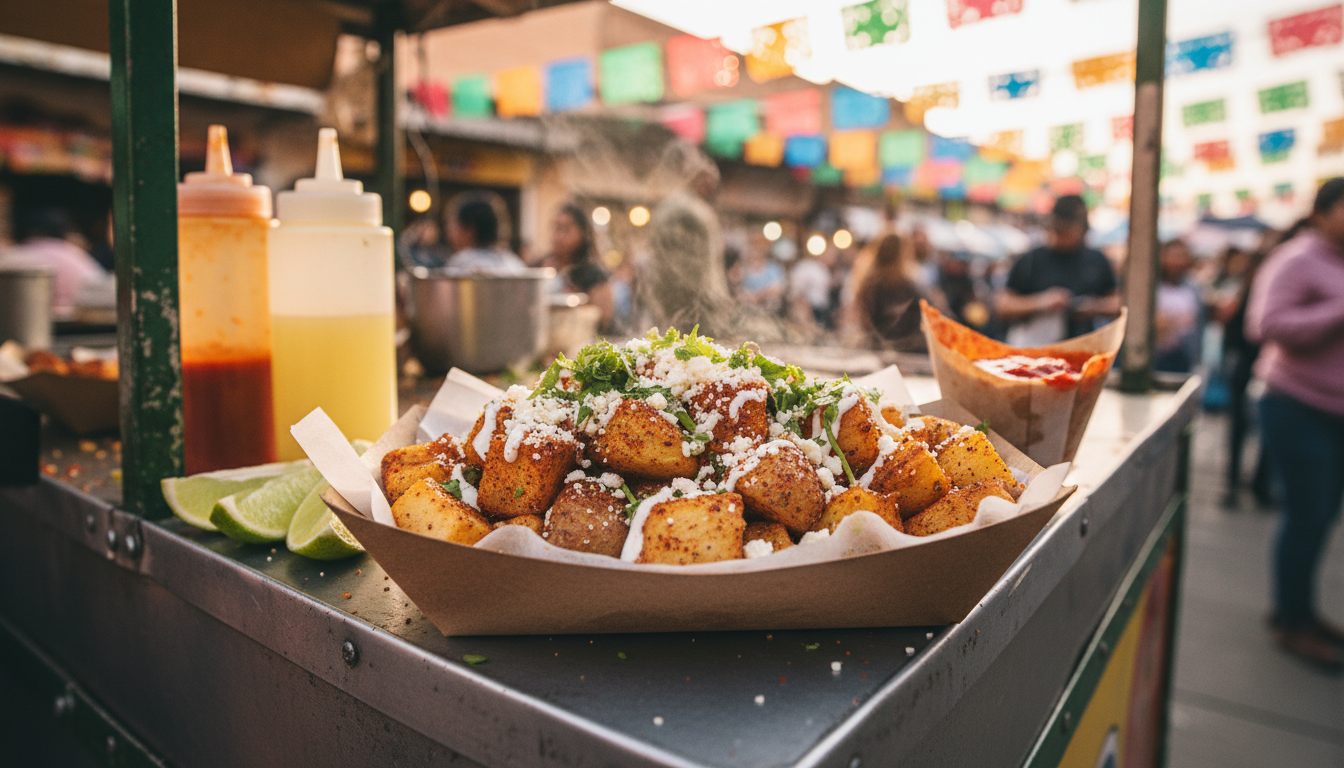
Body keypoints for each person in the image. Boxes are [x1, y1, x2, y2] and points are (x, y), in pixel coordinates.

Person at [1245, 177, 1344, 669]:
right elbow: (1266, 325)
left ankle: (1299, 607)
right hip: (1295, 405)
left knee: (1323, 515)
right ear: (1321, 212)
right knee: (1307, 515)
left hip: (1335, 412)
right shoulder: (1296, 260)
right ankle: (1292, 619)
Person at [995, 195, 1120, 345]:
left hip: (1083, 345)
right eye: (1059, 229)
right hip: (1037, 347)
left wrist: (1093, 306)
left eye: (1068, 230)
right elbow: (1003, 305)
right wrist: (1041, 302)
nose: (1062, 236)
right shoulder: (1031, 260)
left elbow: (1118, 303)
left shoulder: (1095, 260)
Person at [0, 208, 107, 319]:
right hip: (81, 322)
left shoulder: (16, 254)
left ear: (34, 231)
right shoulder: (76, 254)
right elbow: (101, 284)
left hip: (26, 320)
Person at [845, 232, 926, 351]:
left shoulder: (868, 284)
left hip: (876, 348)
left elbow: (863, 320)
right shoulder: (909, 286)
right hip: (908, 350)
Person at [540, 204, 614, 331]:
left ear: (583, 233)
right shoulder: (541, 266)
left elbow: (603, 321)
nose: (558, 237)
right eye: (556, 229)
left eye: (566, 229)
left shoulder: (594, 276)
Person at [442, 193, 526, 273]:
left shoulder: (461, 263)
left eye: (452, 228)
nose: (448, 234)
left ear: (469, 230)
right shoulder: (515, 262)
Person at [1153, 239, 1203, 373]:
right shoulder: (1152, 287)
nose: (1176, 262)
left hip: (1183, 355)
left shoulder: (1194, 287)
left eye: (1181, 256)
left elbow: (1198, 324)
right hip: (1155, 356)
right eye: (1172, 256)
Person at [788, 243, 835, 331]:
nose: (833, 258)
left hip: (822, 309)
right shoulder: (808, 267)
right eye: (830, 255)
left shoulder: (825, 270)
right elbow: (798, 288)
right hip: (810, 308)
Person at [738, 235, 787, 315]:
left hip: (770, 304)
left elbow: (779, 288)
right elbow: (741, 291)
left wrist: (761, 295)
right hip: (751, 304)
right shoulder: (744, 271)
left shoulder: (773, 268)